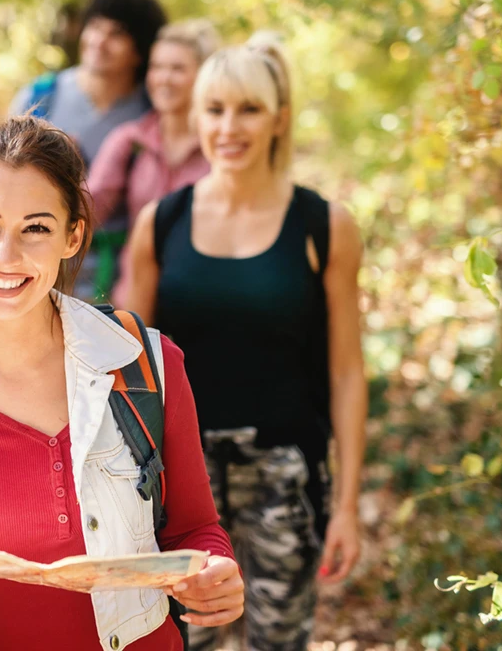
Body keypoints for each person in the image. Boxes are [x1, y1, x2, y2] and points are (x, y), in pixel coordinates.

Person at [0, 117, 244, 651]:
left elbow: (196, 530)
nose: (6, 256)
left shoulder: (145, 364)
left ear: (72, 235)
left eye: (35, 228)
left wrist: (216, 574)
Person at [121, 34, 367, 650]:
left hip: (288, 478)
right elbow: (128, 371)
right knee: (189, 643)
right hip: (181, 482)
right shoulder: (162, 222)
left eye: (249, 109)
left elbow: (346, 374)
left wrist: (347, 505)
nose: (230, 127)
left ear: (279, 118)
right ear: (196, 115)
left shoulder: (323, 227)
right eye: (216, 109)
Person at [10, 0, 169, 302]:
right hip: (40, 276)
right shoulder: (40, 97)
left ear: (140, 51)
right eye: (95, 27)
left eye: (117, 34)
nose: (100, 41)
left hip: (123, 283)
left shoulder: (155, 113)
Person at [87, 19, 220, 307]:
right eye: (157, 67)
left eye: (177, 69)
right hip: (136, 307)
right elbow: (86, 209)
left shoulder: (221, 147)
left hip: (204, 304)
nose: (163, 78)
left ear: (203, 76)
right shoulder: (129, 141)